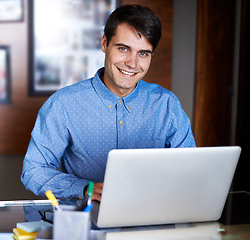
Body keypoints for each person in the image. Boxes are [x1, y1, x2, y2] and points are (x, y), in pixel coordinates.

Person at [21, 4, 196, 202]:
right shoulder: (63, 104)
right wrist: (85, 188)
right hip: (86, 220)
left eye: (143, 53)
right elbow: (34, 170)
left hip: (152, 217)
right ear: (104, 43)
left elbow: (189, 170)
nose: (132, 63)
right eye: (123, 48)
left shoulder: (167, 105)